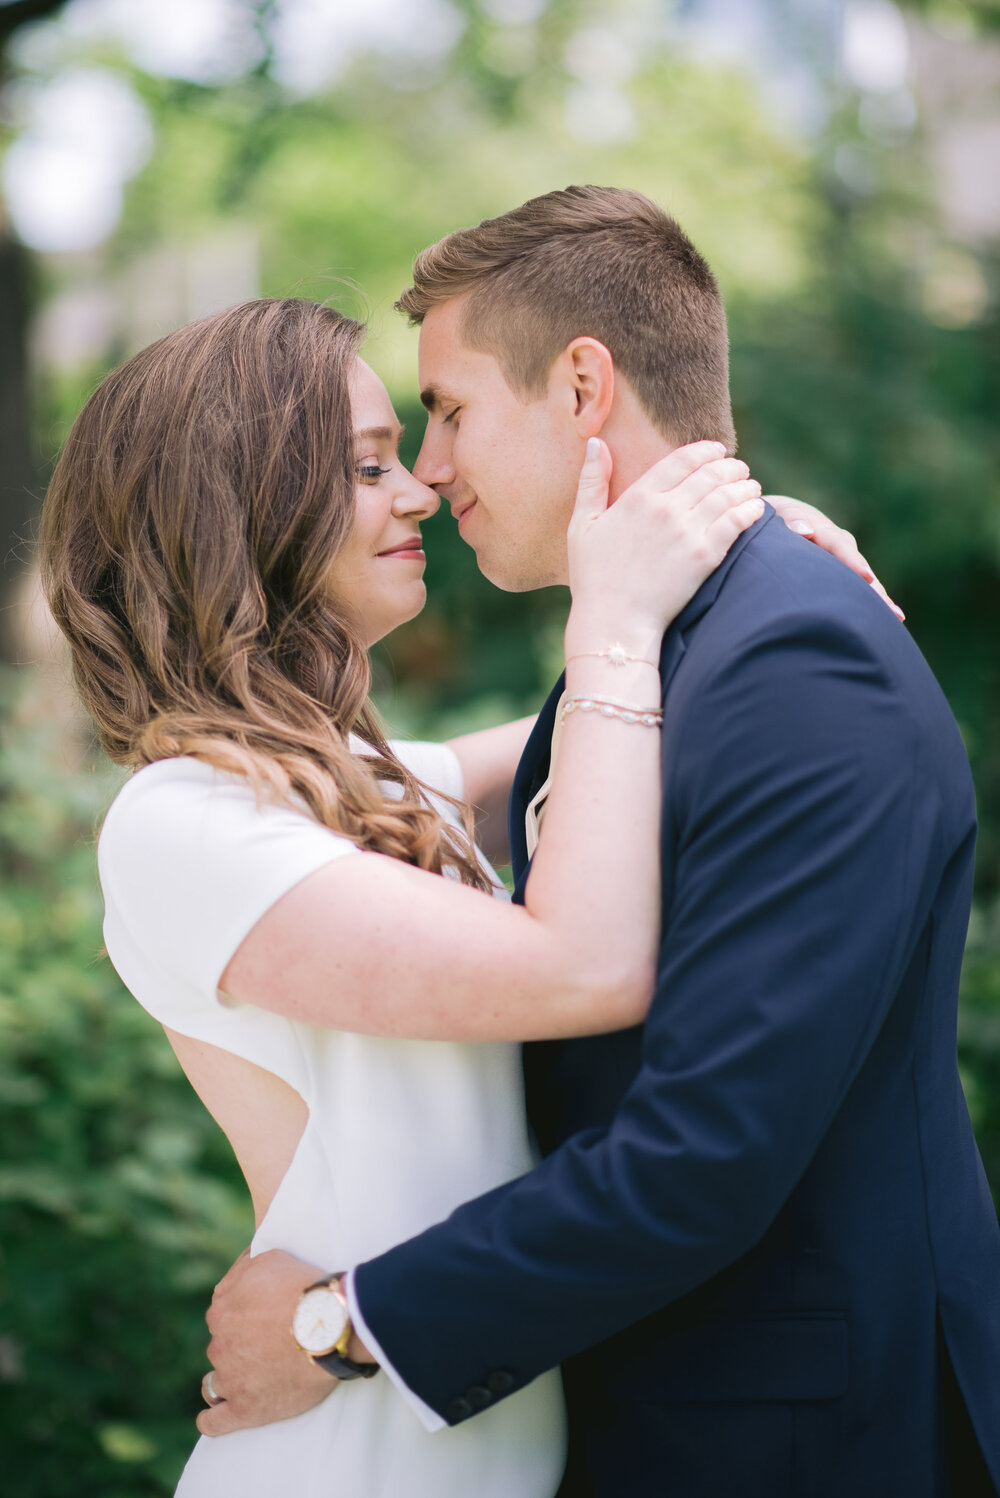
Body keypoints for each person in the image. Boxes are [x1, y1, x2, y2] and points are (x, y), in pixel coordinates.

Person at [200, 189, 1000, 1498]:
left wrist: (342, 1326)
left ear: (582, 386)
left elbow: (704, 1155)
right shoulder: (657, 639)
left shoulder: (797, 658)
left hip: (802, 1442)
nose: (434, 470)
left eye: (451, 411)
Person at [40, 292, 828, 1496]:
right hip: (343, 1458)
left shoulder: (346, 783)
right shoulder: (183, 822)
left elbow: (586, 735)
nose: (417, 488)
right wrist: (610, 619)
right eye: (364, 468)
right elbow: (584, 967)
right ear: (239, 513)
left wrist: (743, 566)